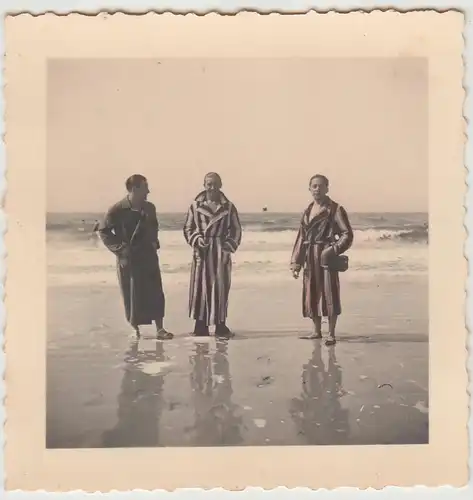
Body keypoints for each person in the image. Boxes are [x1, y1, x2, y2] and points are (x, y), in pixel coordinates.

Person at [98, 174, 173, 340]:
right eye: (145, 188)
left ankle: (160, 329)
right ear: (134, 189)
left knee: (156, 292)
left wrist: (154, 242)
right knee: (130, 292)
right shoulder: (117, 209)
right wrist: (120, 249)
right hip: (129, 257)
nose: (148, 191)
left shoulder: (150, 208)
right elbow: (103, 231)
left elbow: (154, 227)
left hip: (149, 256)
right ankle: (135, 330)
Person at [290, 174, 353, 345]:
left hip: (326, 257)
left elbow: (347, 234)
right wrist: (296, 262)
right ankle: (316, 331)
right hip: (310, 256)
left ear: (327, 188)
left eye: (321, 186)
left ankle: (331, 333)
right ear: (309, 189)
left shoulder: (335, 209)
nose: (317, 189)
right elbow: (301, 238)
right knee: (311, 292)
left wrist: (332, 250)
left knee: (329, 292)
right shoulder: (307, 211)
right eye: (314, 186)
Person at [183, 172, 242, 338]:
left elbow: (236, 229)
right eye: (209, 184)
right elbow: (188, 228)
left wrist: (228, 246)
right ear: (204, 185)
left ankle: (220, 324)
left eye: (215, 183)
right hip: (202, 251)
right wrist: (196, 239)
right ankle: (200, 325)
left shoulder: (229, 207)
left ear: (221, 185)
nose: (212, 187)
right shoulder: (195, 206)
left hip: (220, 251)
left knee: (221, 287)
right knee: (200, 287)